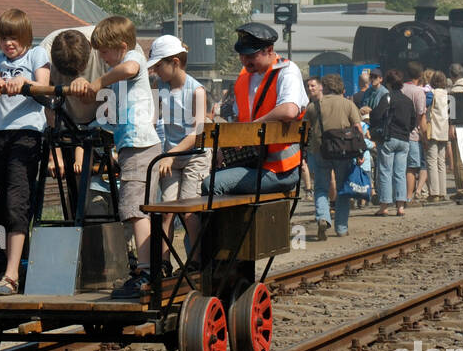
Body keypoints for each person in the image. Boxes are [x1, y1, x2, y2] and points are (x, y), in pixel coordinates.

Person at [71, 15, 161, 298]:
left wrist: (98, 82)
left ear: (121, 46)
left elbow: (129, 68)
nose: (102, 57)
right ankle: (145, 268)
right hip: (132, 146)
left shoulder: (134, 59)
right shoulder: (121, 74)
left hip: (139, 146)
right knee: (136, 209)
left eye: (105, 52)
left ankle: (146, 272)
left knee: (135, 210)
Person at [0, 9, 50, 296]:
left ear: (25, 37)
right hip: (2, 135)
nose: (9, 44)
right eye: (4, 38)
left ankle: (12, 275)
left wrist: (25, 85)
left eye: (14, 38)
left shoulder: (36, 56)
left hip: (28, 134)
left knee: (17, 201)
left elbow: (45, 88)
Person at [199, 22, 308, 198]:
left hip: (279, 169)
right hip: (251, 162)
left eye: (251, 55)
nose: (245, 60)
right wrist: (223, 147)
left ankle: (222, 227)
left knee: (211, 184)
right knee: (212, 180)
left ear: (269, 50)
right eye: (242, 55)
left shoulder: (286, 70)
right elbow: (237, 119)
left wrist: (251, 129)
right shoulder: (244, 77)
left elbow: (289, 110)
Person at [147, 34, 209, 250]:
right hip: (171, 156)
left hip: (193, 157)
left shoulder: (197, 91)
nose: (154, 71)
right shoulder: (158, 85)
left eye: (158, 66)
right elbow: (153, 121)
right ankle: (164, 263)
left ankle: (197, 260)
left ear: (174, 63)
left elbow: (196, 134)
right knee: (167, 211)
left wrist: (169, 157)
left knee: (189, 212)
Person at [305, 72, 361, 238]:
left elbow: (304, 128)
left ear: (326, 87)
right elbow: (358, 128)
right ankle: (342, 227)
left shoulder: (314, 106)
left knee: (321, 187)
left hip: (320, 151)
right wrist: (360, 152)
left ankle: (323, 217)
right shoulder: (348, 104)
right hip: (344, 152)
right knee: (343, 189)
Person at [373, 70, 416, 217]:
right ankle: (400, 207)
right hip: (404, 140)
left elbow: (377, 115)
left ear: (389, 83)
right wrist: (405, 131)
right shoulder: (408, 101)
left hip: (389, 138)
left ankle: (384, 206)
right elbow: (413, 121)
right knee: (400, 173)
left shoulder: (388, 97)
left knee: (385, 171)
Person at [401, 62, 430, 204]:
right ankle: (408, 197)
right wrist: (425, 137)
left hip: (399, 133)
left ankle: (399, 196)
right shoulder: (419, 92)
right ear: (420, 75)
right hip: (413, 135)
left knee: (399, 167)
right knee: (411, 168)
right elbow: (421, 117)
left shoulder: (399, 89)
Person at [447, 63, 463, 198]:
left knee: (459, 159)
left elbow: (452, 113)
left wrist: (451, 126)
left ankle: (462, 189)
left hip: (458, 128)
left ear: (451, 75)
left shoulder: (454, 91)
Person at [425, 73, 449, 202]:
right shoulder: (449, 95)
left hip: (433, 129)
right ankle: (443, 192)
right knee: (441, 161)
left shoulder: (431, 94)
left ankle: (434, 193)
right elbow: (453, 113)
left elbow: (424, 107)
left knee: (432, 160)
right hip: (444, 130)